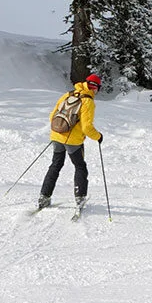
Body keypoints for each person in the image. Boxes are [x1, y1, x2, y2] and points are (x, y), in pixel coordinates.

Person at [37, 73, 104, 210]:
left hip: (56, 135)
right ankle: (80, 199)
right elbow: (86, 127)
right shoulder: (88, 101)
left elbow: (52, 116)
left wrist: (60, 131)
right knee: (80, 167)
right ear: (95, 88)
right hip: (72, 141)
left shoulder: (68, 95)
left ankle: (44, 197)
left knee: (55, 165)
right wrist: (98, 136)